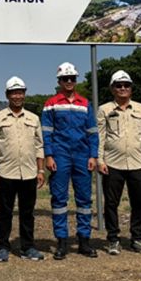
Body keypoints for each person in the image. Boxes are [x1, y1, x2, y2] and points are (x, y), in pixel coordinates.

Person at [42, 62, 99, 259]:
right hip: (60, 155)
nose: (69, 82)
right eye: (65, 79)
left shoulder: (85, 104)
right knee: (59, 199)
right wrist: (49, 155)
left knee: (84, 200)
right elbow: (46, 132)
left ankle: (84, 241)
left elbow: (92, 132)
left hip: (82, 156)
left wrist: (93, 155)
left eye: (72, 78)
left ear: (76, 80)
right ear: (59, 81)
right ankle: (62, 241)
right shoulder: (51, 104)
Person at [97, 70, 141, 256]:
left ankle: (137, 239)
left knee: (139, 203)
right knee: (111, 203)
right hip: (112, 163)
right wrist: (100, 160)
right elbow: (100, 137)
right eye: (118, 85)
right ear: (112, 88)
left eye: (126, 85)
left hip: (138, 163)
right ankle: (113, 239)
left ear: (131, 88)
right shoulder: (104, 110)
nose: (122, 88)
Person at [0, 76, 45, 262]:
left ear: (24, 94)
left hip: (29, 172)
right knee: (5, 211)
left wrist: (40, 171)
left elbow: (39, 146)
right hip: (6, 172)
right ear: (7, 95)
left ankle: (27, 247)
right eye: (13, 92)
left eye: (20, 92)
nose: (17, 96)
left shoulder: (34, 118)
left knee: (27, 212)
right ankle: (3, 246)